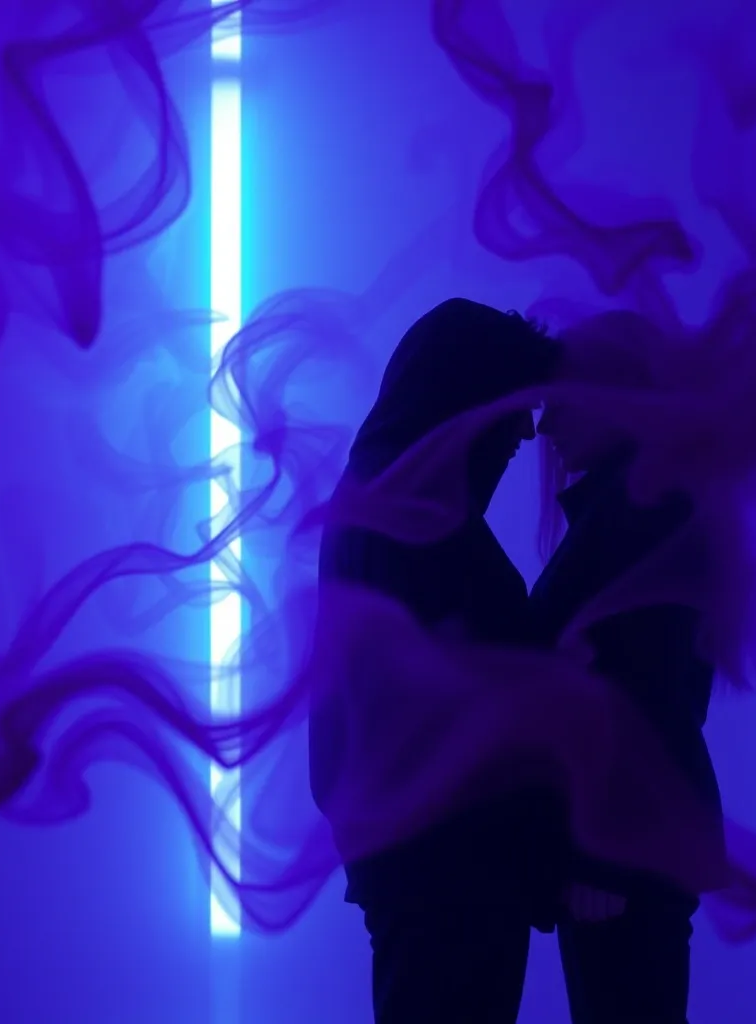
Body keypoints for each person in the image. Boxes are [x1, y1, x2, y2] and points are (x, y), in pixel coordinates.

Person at [309, 297, 561, 1024]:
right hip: (450, 876)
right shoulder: (414, 529)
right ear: (467, 404)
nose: (528, 432)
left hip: (427, 869)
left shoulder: (386, 510)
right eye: (513, 408)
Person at [528, 316, 726, 1024]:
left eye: (563, 400)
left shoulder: (641, 514)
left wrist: (602, 857)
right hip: (630, 850)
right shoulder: (638, 509)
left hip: (621, 858)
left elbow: (645, 692)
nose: (544, 426)